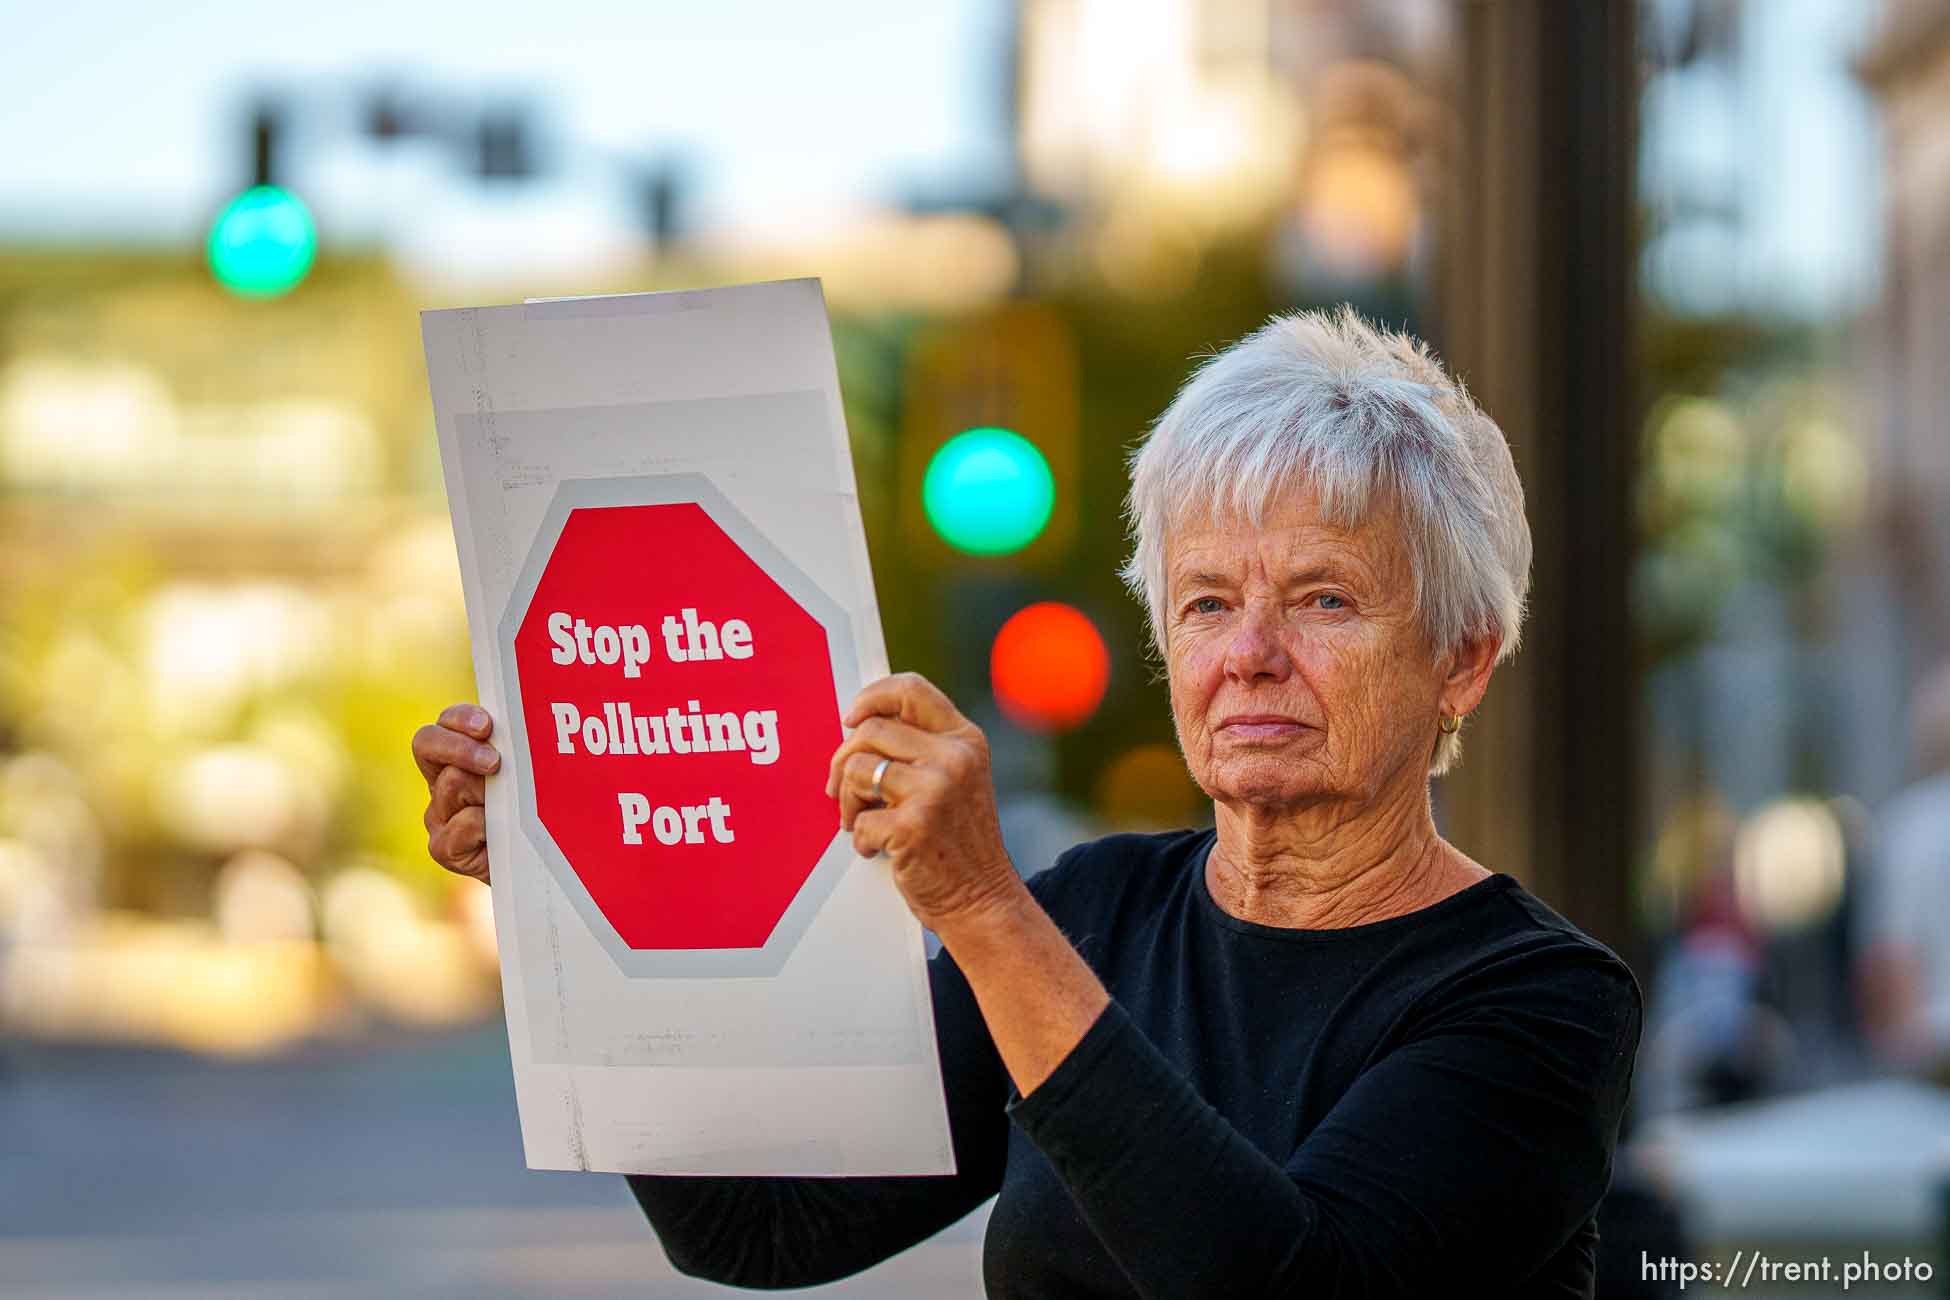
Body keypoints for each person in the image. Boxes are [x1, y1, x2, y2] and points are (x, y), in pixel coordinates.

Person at [414, 305, 1644, 1299]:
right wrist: (574, 875)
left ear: (1463, 657)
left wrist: (983, 905)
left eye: (1324, 599)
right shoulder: (1097, 912)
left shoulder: (1538, 1000)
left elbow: (1284, 1280)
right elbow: (756, 1229)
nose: (1251, 652)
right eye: (1208, 603)